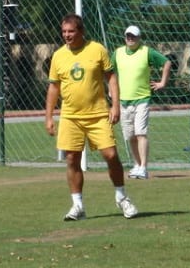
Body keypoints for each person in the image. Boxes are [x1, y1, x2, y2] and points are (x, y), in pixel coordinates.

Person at [45, 14, 138, 221]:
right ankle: (78, 206)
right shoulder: (58, 56)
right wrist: (49, 117)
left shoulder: (97, 49)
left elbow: (111, 78)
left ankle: (122, 197)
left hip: (97, 115)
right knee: (71, 159)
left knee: (111, 155)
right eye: (64, 32)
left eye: (71, 31)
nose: (67, 35)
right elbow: (53, 87)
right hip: (70, 117)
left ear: (81, 31)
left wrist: (115, 105)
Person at [112, 25, 172, 179]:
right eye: (128, 36)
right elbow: (110, 72)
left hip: (142, 99)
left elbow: (166, 62)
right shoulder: (118, 53)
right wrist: (111, 89)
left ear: (139, 38)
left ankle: (144, 167)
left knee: (140, 133)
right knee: (130, 136)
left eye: (133, 36)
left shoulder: (146, 52)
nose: (130, 39)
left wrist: (162, 82)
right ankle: (137, 165)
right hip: (124, 101)